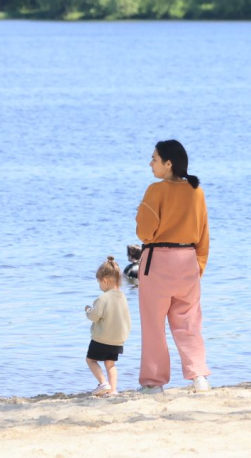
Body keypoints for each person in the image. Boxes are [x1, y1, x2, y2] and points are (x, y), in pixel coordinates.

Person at [135, 139, 211, 394]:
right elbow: (204, 233)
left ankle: (154, 383)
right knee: (188, 322)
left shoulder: (155, 191)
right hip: (188, 260)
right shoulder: (196, 192)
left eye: (155, 159)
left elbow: (144, 233)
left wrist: (140, 213)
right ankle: (199, 376)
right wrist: (198, 265)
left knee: (154, 325)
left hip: (158, 262)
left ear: (168, 164)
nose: (151, 163)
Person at [85, 256, 131, 396]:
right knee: (110, 365)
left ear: (104, 281)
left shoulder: (102, 298)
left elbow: (94, 316)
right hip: (118, 339)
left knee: (91, 360)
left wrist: (88, 310)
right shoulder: (123, 297)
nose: (100, 286)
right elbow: (126, 318)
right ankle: (113, 390)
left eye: (99, 282)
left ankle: (103, 382)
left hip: (101, 338)